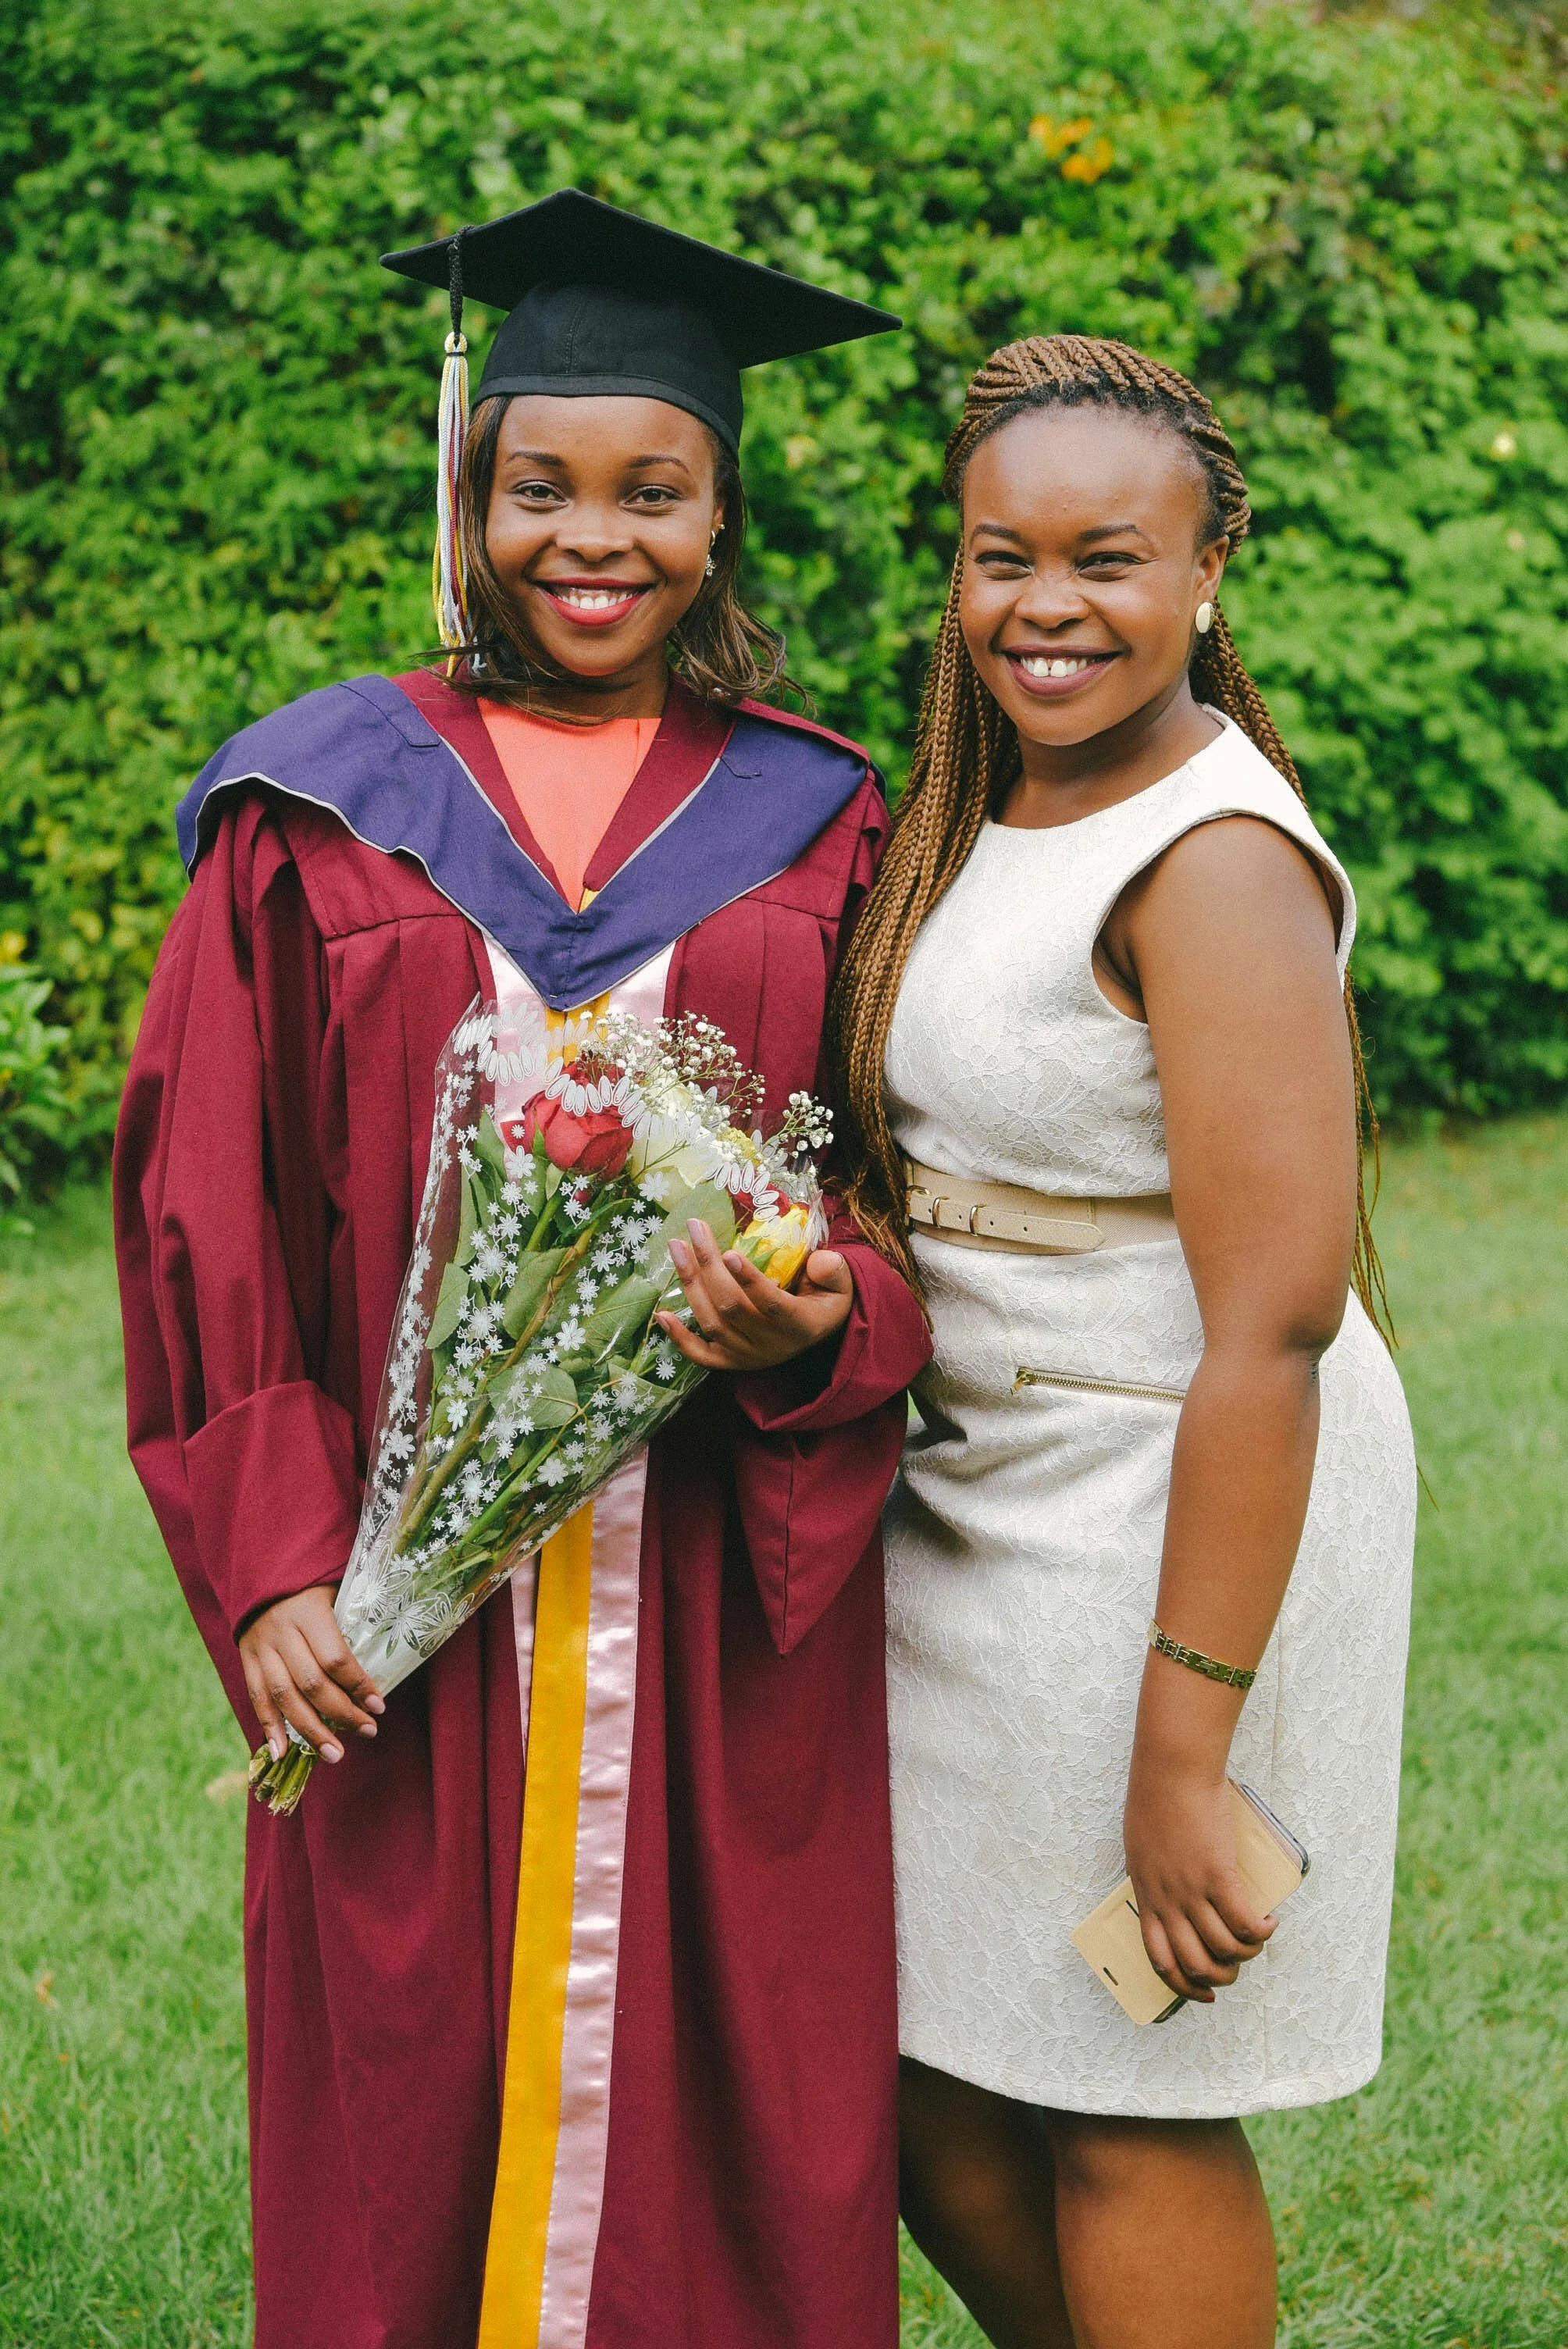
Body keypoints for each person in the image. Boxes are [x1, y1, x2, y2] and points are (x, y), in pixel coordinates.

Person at [115, 189, 929, 2349]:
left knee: (737, 2118)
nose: (598, 539)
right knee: (401, 2099)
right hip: (401, 1624)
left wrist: (827, 1314)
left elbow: (904, 1197)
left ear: (722, 513)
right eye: (541, 488)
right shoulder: (322, 804)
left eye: (654, 492)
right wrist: (284, 1562)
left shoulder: (828, 822)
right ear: (466, 495)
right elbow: (212, 1198)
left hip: (716, 1622)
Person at [829, 336, 1417, 2348]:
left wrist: (1191, 1748)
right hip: (996, 1501)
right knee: (931, 2074)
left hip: (1186, 1509)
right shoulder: (1006, 801)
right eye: (1004, 558)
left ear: (1209, 568)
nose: (1048, 608)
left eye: (1109, 558)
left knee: (1123, 2089)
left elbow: (1273, 1323)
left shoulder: (1222, 860)